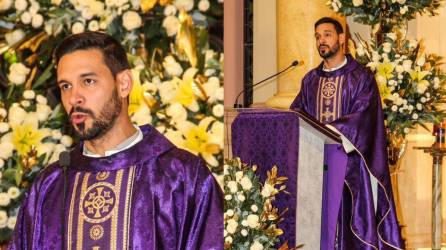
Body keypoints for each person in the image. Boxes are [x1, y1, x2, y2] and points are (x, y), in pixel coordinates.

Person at [9, 31, 223, 250]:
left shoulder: (182, 177)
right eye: (66, 86)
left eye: (88, 81)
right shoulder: (50, 185)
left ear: (123, 84)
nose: (74, 98)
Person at [290, 17, 403, 249]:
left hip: (351, 166)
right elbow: (296, 115)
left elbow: (365, 117)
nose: (322, 41)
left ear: (342, 38)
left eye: (327, 34)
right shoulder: (310, 80)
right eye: (318, 36)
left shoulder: (361, 78)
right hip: (315, 168)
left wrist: (329, 132)